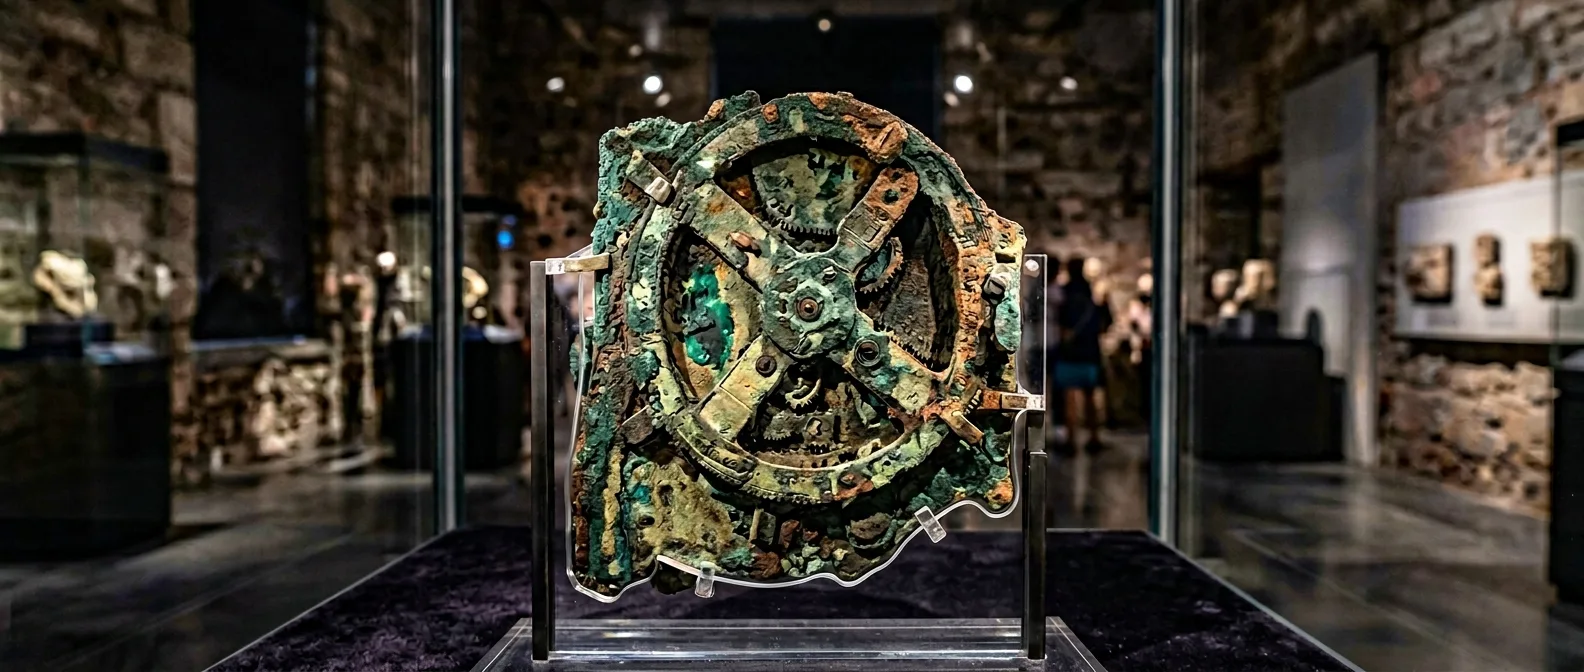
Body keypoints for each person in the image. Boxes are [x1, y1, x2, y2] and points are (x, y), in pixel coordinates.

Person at [1055, 256, 1112, 451]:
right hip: (1089, 349)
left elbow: (1059, 322)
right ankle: (1094, 437)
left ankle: (1071, 439)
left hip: (1070, 350)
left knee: (1070, 395)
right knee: (1090, 395)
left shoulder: (1065, 293)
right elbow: (1105, 322)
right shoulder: (1093, 293)